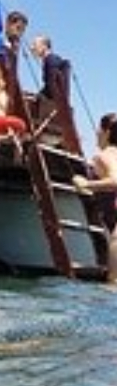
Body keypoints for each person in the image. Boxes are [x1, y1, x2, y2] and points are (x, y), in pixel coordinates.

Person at [72, 113, 117, 284]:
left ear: (106, 132)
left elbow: (115, 180)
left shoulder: (104, 155)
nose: (96, 133)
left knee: (114, 285)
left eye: (99, 129)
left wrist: (86, 184)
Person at [29, 34, 71, 104]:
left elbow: (53, 87)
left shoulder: (50, 60)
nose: (32, 48)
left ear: (44, 46)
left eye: (35, 44)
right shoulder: (53, 60)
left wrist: (38, 97)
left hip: (52, 106)